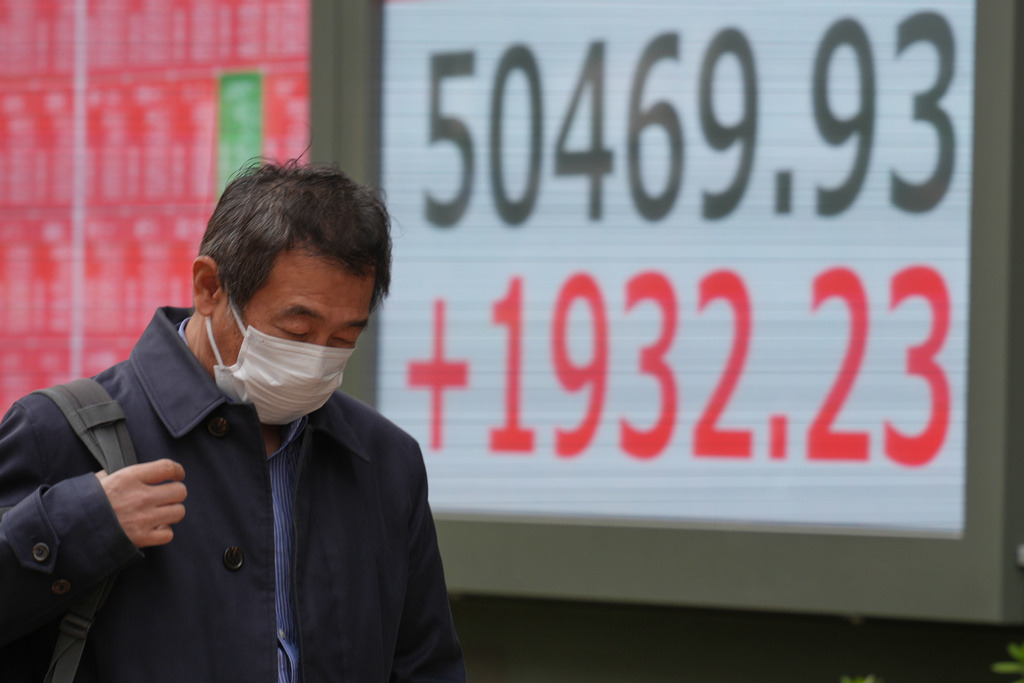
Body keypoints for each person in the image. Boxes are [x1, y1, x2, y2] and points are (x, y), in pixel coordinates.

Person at [0, 161, 466, 682]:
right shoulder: (57, 433)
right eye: (296, 330)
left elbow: (426, 664)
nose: (316, 359)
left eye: (342, 340)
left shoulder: (383, 460)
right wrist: (79, 525)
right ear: (209, 287)